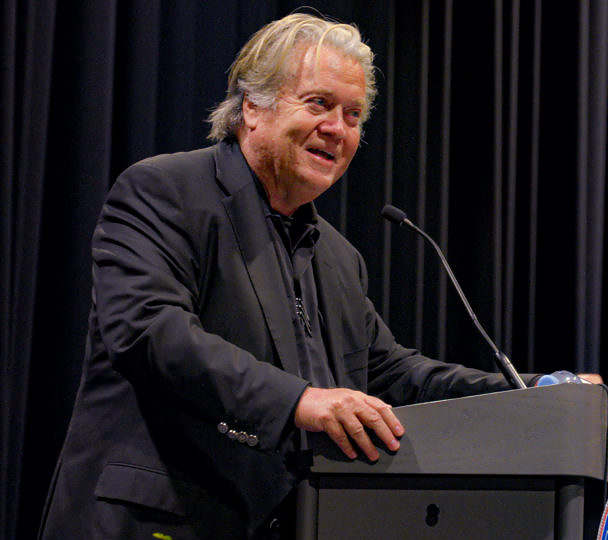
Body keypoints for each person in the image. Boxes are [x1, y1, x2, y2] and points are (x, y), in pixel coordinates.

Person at [38, 13, 547, 539]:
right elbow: (150, 332)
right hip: (154, 521)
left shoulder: (340, 259)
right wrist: (299, 401)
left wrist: (532, 392)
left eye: (353, 115)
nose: (338, 129)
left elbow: (393, 376)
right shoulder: (165, 191)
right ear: (252, 107)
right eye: (318, 103)